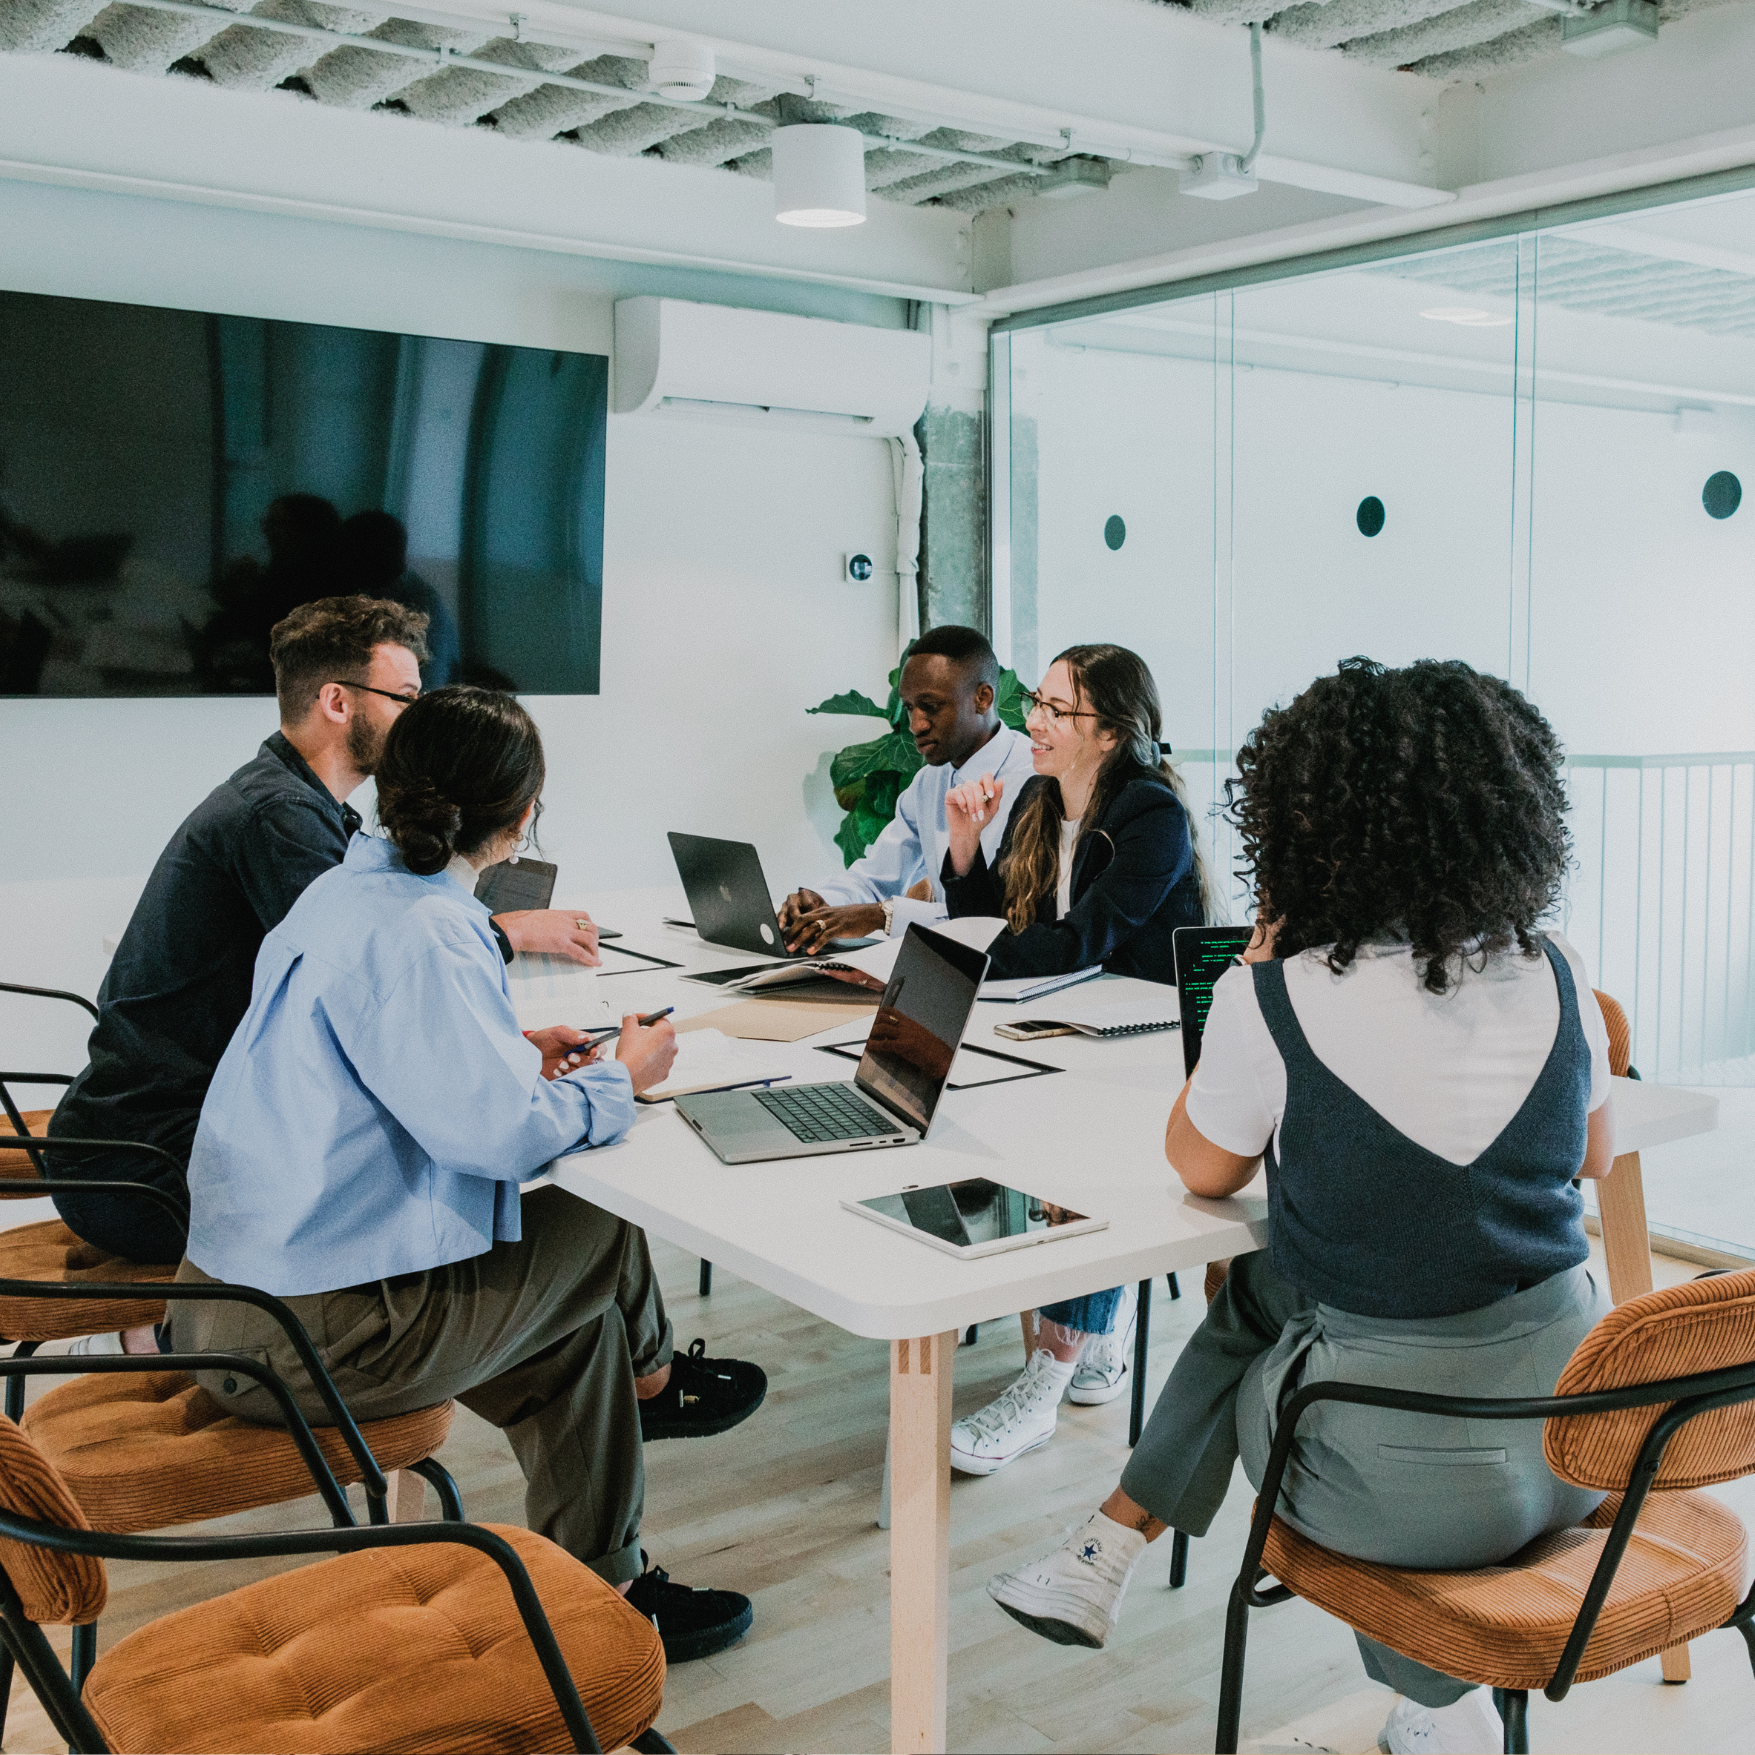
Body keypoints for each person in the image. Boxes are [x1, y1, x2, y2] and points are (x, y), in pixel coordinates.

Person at [984, 658, 1616, 1755]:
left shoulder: (1279, 990)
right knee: (1285, 1285)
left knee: (1253, 1305)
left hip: (1399, 1485)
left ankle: (1124, 1555)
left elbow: (1201, 1167)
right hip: (1578, 1444)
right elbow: (1591, 1157)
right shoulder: (1558, 970)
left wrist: (1254, 982)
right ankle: (1109, 1552)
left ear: (1308, 825)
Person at [172, 686, 761, 1663]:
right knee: (595, 1225)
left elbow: (383, 1064)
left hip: (225, 1301)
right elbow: (501, 1143)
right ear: (521, 816)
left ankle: (606, 1603)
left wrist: (507, 1049)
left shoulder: (347, 891)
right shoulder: (429, 932)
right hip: (300, 1336)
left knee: (576, 1330)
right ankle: (660, 1386)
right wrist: (620, 1076)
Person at [49, 597, 603, 1309]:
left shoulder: (292, 800)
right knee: (463, 1191)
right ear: (338, 702)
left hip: (132, 1136)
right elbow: (379, 985)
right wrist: (514, 950)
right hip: (150, 1165)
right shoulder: (281, 819)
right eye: (405, 698)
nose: (419, 719)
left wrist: (511, 1041)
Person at [938, 643, 1216, 1473]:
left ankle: (1045, 1378)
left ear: (1109, 733)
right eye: (1039, 702)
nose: (1035, 722)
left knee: (1080, 1163)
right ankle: (1092, 1317)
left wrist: (979, 961)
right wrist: (963, 845)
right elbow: (994, 920)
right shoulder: (1035, 795)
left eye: (1060, 711)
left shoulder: (1150, 816)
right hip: (1066, 1029)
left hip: (1153, 1050)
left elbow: (1076, 943)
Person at [777, 624, 1036, 955]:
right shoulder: (930, 781)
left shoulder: (1033, 780)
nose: (916, 725)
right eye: (910, 707)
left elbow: (1003, 922)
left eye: (930, 706)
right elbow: (875, 878)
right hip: (944, 966)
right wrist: (819, 903)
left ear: (982, 698)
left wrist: (884, 916)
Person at [337, 508, 462, 687]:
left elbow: (428, 685)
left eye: (349, 550)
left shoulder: (421, 606)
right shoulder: (369, 594)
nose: (342, 560)